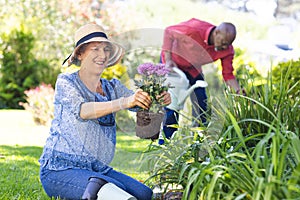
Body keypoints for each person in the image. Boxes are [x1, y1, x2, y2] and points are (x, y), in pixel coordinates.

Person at [39, 23, 171, 200]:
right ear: (80, 54)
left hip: (98, 169)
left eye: (105, 50)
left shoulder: (112, 86)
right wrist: (125, 102)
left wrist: (157, 98)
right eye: (95, 49)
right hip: (61, 170)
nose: (102, 55)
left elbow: (138, 103)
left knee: (144, 195)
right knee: (109, 191)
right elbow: (84, 110)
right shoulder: (66, 82)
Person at [160, 18, 244, 144]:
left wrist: (238, 91)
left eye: (228, 44)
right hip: (173, 66)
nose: (224, 47)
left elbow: (228, 75)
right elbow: (169, 31)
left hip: (193, 70)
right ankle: (166, 144)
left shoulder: (226, 50)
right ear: (216, 33)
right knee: (172, 104)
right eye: (223, 42)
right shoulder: (194, 29)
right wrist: (168, 59)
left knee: (201, 105)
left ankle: (198, 143)